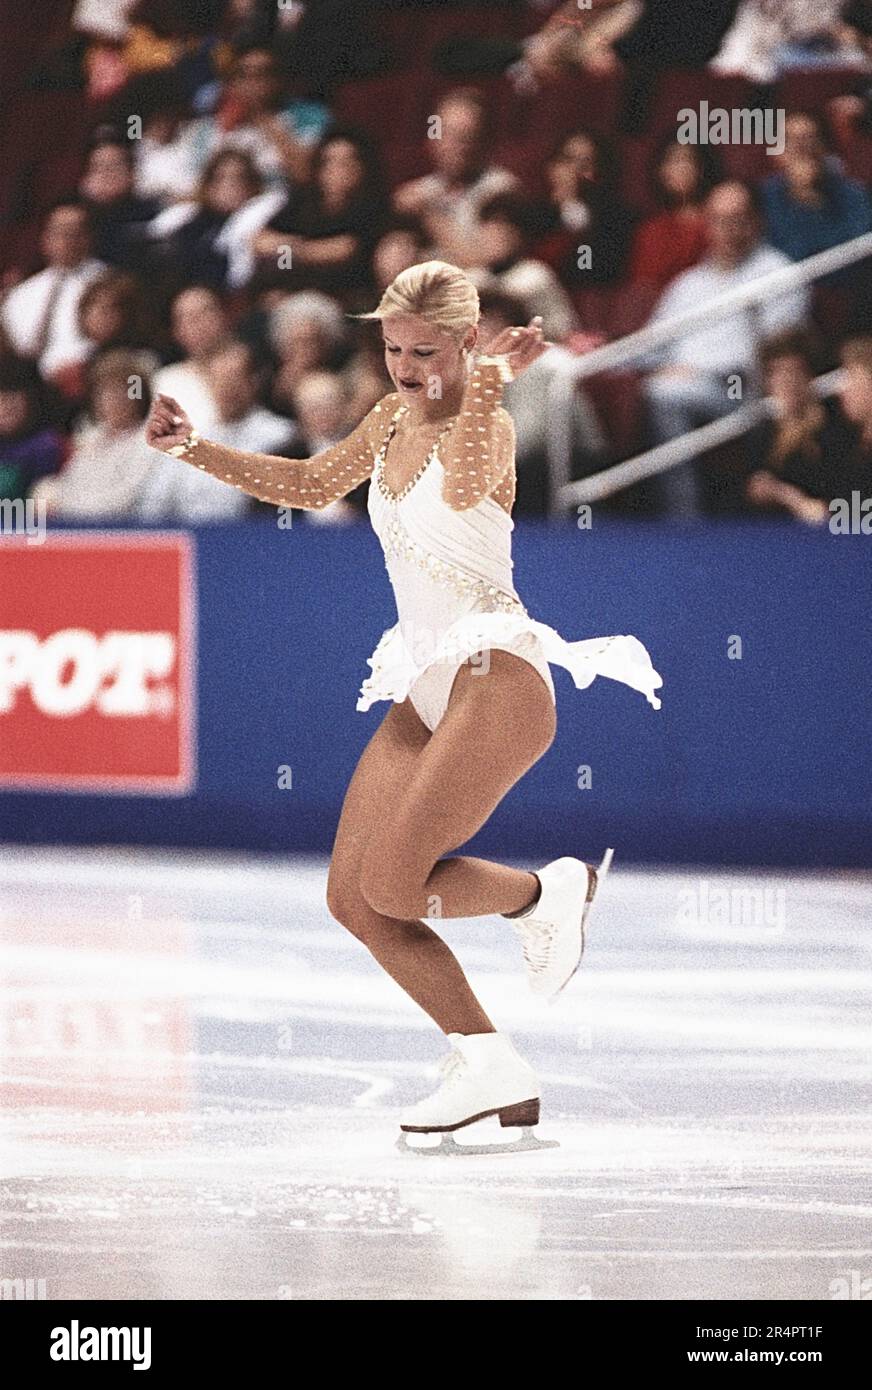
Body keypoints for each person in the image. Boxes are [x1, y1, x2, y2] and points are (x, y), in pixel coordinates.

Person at [145, 260, 662, 1148]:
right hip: (422, 681)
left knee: (396, 881)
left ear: (467, 343)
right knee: (356, 899)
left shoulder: (489, 426)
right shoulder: (386, 417)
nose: (407, 366)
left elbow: (462, 487)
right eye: (392, 348)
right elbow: (312, 484)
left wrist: (489, 378)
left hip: (496, 677)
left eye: (428, 350)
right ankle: (488, 1060)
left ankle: (546, 893)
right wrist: (192, 447)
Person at [643, 180, 810, 516]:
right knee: (662, 387)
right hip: (689, 385)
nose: (728, 229)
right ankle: (681, 516)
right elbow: (649, 347)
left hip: (746, 390)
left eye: (738, 219)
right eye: (718, 220)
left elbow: (778, 350)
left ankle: (683, 518)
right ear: (707, 224)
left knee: (665, 392)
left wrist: (699, 369)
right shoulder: (689, 283)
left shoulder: (778, 272)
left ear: (756, 221)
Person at [0, 201, 106, 380]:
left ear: (89, 236)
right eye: (59, 232)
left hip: (88, 377)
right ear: (45, 239)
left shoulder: (107, 282)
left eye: (75, 232)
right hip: (29, 384)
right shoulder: (23, 291)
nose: (67, 240)